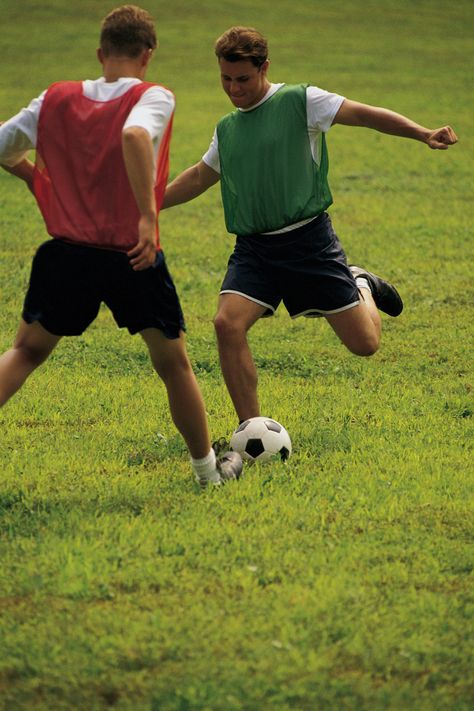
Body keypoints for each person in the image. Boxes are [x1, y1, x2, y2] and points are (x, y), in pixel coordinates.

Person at [162, 26, 458, 426]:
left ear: (264, 67)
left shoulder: (301, 100)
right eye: (225, 79)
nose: (234, 89)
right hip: (254, 249)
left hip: (308, 243)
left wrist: (422, 133)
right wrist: (144, 202)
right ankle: (252, 430)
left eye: (243, 79)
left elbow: (366, 115)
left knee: (365, 344)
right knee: (226, 324)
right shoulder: (227, 128)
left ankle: (361, 283)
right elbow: (199, 176)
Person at [0, 5, 242, 487]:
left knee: (25, 352)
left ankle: (207, 471)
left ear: (100, 52)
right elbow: (134, 135)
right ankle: (207, 474)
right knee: (173, 365)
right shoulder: (152, 96)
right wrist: (148, 220)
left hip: (65, 253)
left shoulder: (53, 99)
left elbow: (5, 145)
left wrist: (32, 174)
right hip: (133, 254)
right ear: (147, 55)